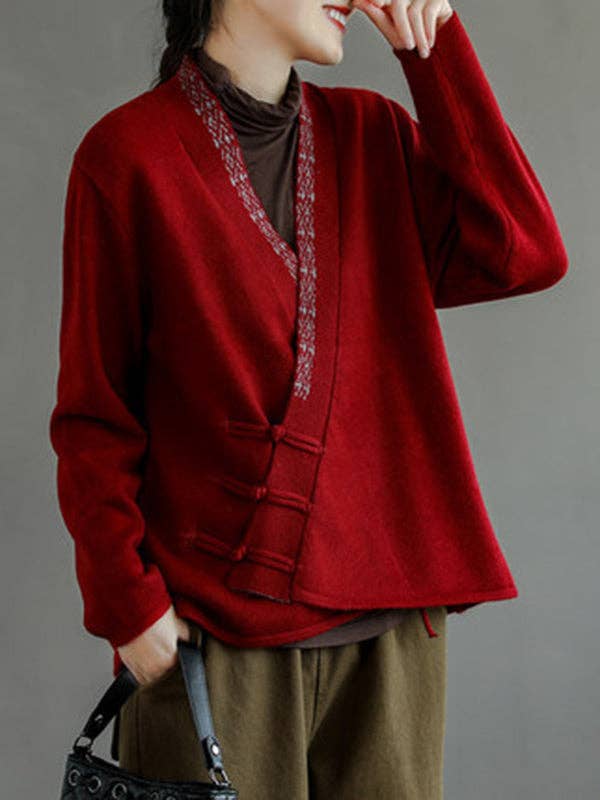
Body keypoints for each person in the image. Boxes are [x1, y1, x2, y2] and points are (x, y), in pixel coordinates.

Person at [48, 0, 568, 797]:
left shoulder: (373, 135)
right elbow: (96, 413)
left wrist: (436, 50)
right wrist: (126, 603)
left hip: (389, 638)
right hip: (211, 645)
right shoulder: (127, 157)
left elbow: (523, 252)